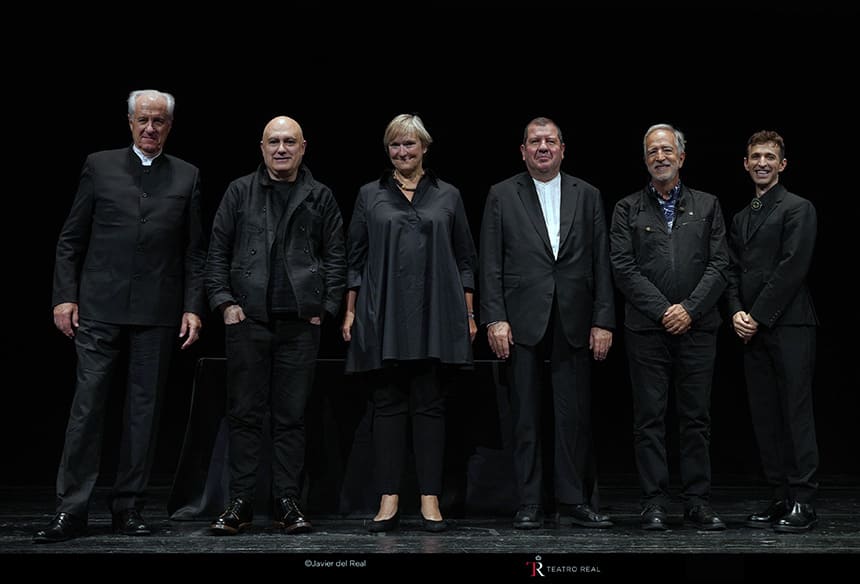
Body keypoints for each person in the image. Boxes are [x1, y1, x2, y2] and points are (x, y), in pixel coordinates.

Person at [35, 89, 206, 543]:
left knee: (143, 413)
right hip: (98, 307)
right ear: (129, 122)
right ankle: (71, 510)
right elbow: (71, 238)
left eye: (159, 122)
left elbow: (194, 252)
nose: (151, 129)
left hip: (157, 310)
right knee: (87, 407)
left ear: (170, 126)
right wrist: (63, 297)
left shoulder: (187, 176)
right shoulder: (100, 165)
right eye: (143, 121)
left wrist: (193, 306)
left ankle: (128, 507)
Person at [205, 116, 346, 535]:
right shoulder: (238, 191)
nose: (281, 148)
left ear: (304, 147)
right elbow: (216, 253)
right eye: (274, 142)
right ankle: (241, 502)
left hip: (300, 324)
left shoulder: (320, 196)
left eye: (289, 142)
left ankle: (288, 501)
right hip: (248, 319)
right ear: (262, 147)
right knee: (245, 415)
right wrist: (224, 303)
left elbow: (337, 256)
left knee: (291, 417)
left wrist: (328, 306)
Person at [342, 114, 477, 533]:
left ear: (425, 147)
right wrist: (350, 311)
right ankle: (388, 498)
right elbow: (355, 259)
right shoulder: (369, 195)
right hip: (382, 314)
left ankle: (430, 498)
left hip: (438, 313)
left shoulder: (449, 195)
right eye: (396, 146)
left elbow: (465, 260)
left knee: (431, 405)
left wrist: (470, 315)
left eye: (410, 144)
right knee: (386, 405)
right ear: (388, 151)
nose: (403, 152)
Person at [479, 117, 615, 530]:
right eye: (535, 142)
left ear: (562, 148)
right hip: (520, 320)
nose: (543, 148)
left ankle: (573, 499)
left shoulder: (587, 194)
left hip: (574, 317)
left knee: (571, 414)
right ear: (522, 150)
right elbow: (490, 263)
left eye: (550, 141)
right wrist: (495, 318)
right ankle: (530, 502)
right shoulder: (502, 194)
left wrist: (603, 320)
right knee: (525, 414)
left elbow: (601, 263)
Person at [610, 123, 728, 531]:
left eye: (667, 150)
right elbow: (623, 268)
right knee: (649, 419)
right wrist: (664, 310)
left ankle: (697, 501)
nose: (660, 157)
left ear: (681, 157)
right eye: (652, 151)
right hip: (646, 330)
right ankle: (654, 502)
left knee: (696, 418)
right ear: (645, 160)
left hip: (698, 328)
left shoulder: (708, 205)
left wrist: (689, 310)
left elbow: (719, 265)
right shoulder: (626, 208)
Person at [725, 130, 819, 533]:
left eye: (769, 157)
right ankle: (780, 496)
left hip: (790, 323)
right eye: (755, 157)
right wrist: (736, 313)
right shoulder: (742, 216)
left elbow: (792, 267)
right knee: (765, 415)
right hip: (752, 327)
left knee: (794, 412)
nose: (762, 162)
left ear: (782, 164)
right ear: (745, 164)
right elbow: (730, 270)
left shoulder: (798, 208)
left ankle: (804, 500)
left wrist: (756, 315)